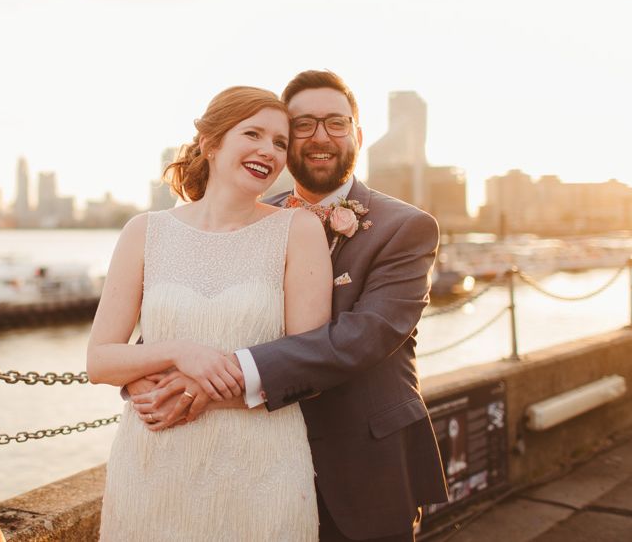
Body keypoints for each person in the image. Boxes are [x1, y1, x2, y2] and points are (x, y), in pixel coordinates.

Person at [131, 70, 449, 541]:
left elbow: (361, 338)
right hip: (252, 463)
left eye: (336, 123)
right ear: (284, 139)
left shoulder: (407, 227)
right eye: (303, 125)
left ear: (357, 136)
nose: (321, 137)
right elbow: (197, 307)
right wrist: (152, 375)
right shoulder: (254, 217)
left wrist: (213, 384)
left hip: (363, 462)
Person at [87, 86, 333, 540]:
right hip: (153, 462)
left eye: (280, 143)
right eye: (253, 133)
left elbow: (308, 361)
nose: (268, 151)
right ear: (211, 142)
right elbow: (100, 361)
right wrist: (181, 352)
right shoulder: (144, 231)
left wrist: (201, 389)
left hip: (261, 465)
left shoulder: (298, 230)